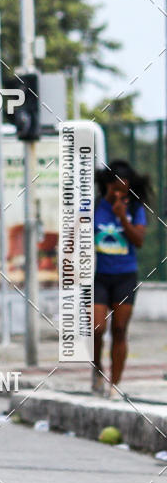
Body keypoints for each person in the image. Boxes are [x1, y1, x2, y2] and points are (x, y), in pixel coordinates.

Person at [92, 159, 151, 399]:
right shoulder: (94, 206)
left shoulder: (135, 208)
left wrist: (123, 217)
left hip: (125, 275)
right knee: (97, 327)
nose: (118, 194)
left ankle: (114, 384)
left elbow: (138, 241)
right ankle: (96, 369)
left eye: (123, 190)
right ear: (105, 185)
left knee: (119, 329)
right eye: (114, 189)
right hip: (98, 275)